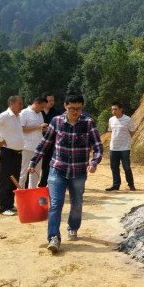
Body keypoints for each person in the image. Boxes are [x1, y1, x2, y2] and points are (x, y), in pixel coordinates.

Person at [28, 94, 103, 253]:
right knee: (56, 204)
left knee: (77, 204)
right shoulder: (56, 121)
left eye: (78, 108)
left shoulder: (88, 123)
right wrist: (34, 161)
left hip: (78, 172)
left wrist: (94, 162)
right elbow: (45, 143)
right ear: (65, 106)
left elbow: (97, 146)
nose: (75, 112)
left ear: (82, 107)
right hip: (58, 170)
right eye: (71, 108)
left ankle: (73, 226)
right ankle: (53, 237)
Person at [105, 102, 136, 191]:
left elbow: (133, 131)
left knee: (126, 167)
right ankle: (116, 185)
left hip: (125, 147)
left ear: (121, 109)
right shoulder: (111, 120)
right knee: (114, 167)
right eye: (112, 109)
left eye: (115, 109)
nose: (113, 111)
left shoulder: (128, 119)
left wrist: (127, 139)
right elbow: (111, 131)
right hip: (114, 147)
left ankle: (131, 184)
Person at [19, 95, 48, 188]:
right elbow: (22, 129)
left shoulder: (40, 114)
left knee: (35, 172)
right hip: (27, 147)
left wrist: (44, 129)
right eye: (41, 107)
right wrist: (38, 127)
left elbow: (39, 129)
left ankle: (32, 191)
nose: (42, 109)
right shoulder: (24, 113)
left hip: (38, 148)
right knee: (23, 171)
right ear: (36, 103)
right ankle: (21, 192)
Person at [38, 93, 62, 187]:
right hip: (38, 141)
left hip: (52, 141)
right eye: (49, 101)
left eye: (53, 100)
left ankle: (43, 184)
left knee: (48, 164)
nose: (52, 102)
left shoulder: (57, 112)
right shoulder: (38, 112)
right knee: (36, 163)